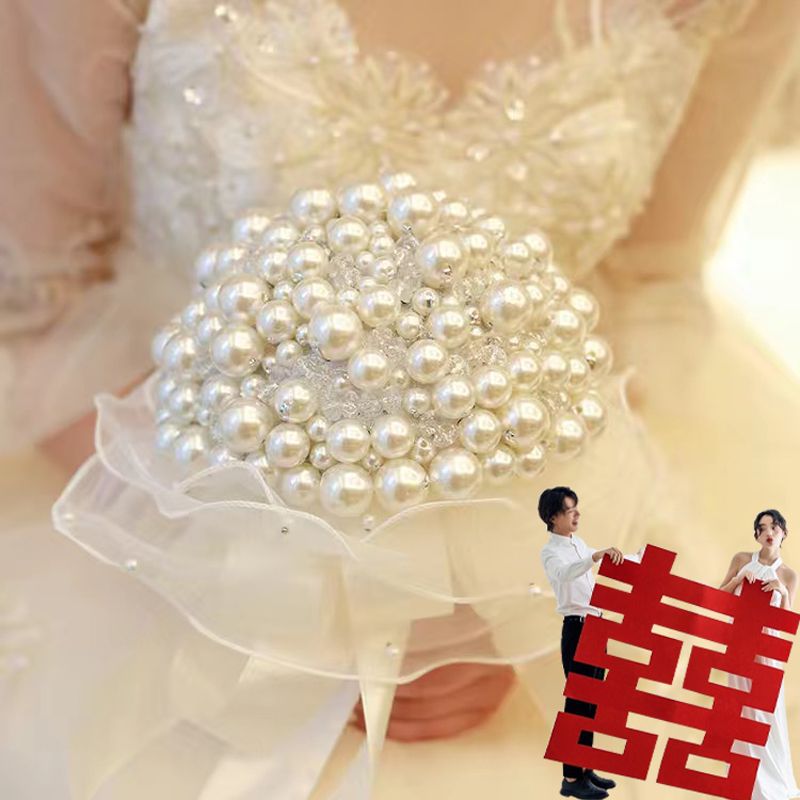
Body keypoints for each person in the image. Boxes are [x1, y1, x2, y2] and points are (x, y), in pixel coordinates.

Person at [2, 1, 800, 797]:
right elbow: (31, 302)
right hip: (166, 466)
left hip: (552, 463)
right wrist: (290, 576)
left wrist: (521, 583)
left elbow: (650, 284)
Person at [539, 486, 622, 799]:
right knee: (577, 704)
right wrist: (594, 557)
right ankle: (571, 777)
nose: (576, 514)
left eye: (576, 508)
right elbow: (564, 574)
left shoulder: (579, 544)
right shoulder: (551, 552)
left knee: (592, 703)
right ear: (553, 517)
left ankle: (585, 768)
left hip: (596, 627)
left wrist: (635, 557)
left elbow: (598, 560)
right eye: (569, 510)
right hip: (577, 629)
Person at [719, 509, 800, 800]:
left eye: (775, 527)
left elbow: (788, 623)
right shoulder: (742, 559)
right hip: (740, 643)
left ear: (783, 533)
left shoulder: (789, 574)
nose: (769, 532)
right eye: (763, 528)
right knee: (739, 710)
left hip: (768, 650)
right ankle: (744, 784)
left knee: (768, 715)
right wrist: (739, 579)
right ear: (756, 535)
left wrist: (783, 592)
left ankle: (771, 786)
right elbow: (720, 597)